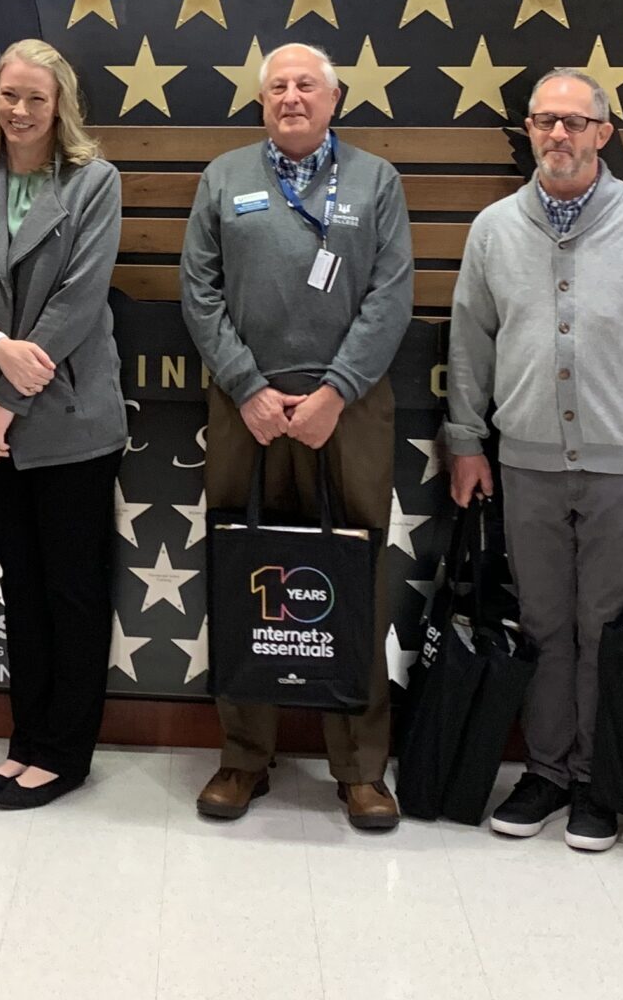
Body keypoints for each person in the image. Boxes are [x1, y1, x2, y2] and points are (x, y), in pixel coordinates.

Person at [445, 68, 623, 853]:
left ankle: (599, 781)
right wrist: (466, 440)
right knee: (540, 622)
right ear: (527, 132)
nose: (556, 135)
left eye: (572, 121)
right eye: (542, 121)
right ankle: (548, 772)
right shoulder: (495, 228)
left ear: (603, 131)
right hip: (524, 462)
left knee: (606, 627)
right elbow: (470, 343)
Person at [181, 41, 415, 832]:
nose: (291, 97)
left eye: (305, 84)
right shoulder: (224, 178)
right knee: (248, 570)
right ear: (261, 101)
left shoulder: (377, 182)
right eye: (277, 86)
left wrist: (335, 392)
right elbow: (198, 292)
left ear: (335, 97)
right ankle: (244, 757)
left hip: (346, 413)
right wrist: (247, 386)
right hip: (245, 410)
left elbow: (390, 296)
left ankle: (359, 769)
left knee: (353, 579)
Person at [0, 39, 126, 810]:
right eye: (9, 95)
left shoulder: (94, 182)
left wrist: (10, 394)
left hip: (69, 419)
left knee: (73, 591)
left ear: (61, 108)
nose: (20, 111)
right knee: (22, 588)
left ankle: (65, 753)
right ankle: (25, 743)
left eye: (36, 100)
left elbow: (79, 303)